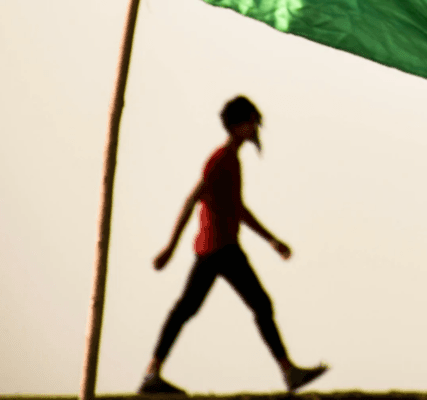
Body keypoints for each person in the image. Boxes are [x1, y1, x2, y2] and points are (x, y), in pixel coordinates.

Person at [138, 96, 328, 395]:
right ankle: (289, 372)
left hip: (220, 248)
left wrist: (271, 240)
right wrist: (169, 249)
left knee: (189, 308)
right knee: (254, 304)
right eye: (251, 121)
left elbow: (238, 209)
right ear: (238, 126)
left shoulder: (231, 160)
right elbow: (192, 200)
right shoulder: (221, 160)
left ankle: (152, 373)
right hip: (218, 249)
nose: (256, 128)